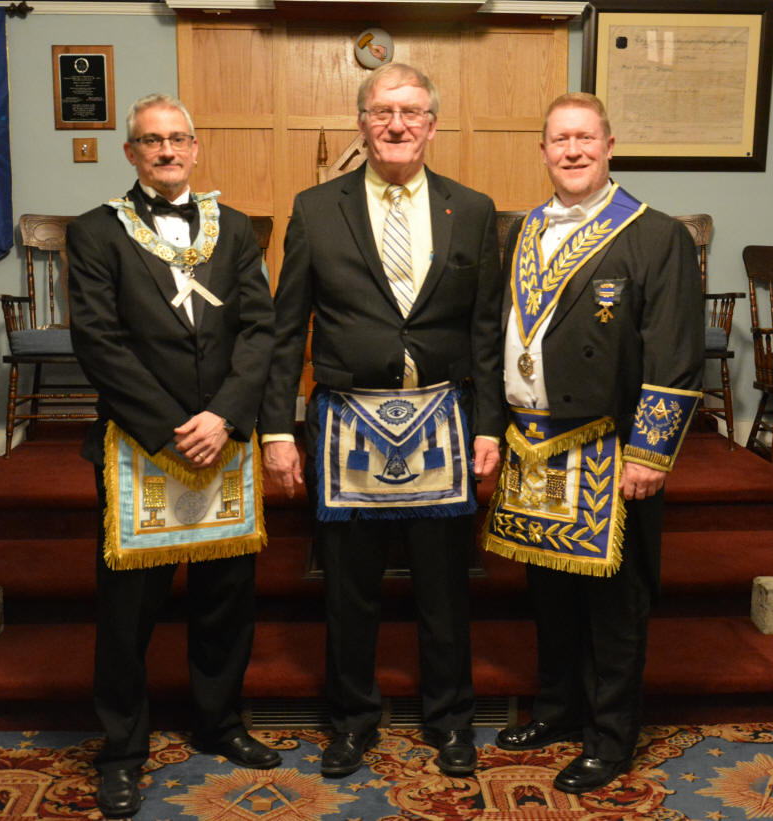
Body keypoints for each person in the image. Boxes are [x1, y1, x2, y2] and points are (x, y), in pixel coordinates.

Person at [260, 63, 504, 778]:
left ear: (432, 124)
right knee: (349, 591)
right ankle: (352, 721)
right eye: (383, 111)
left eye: (411, 112)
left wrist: (490, 426)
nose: (397, 125)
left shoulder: (473, 209)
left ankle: (450, 721)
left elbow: (487, 329)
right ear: (362, 122)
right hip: (346, 426)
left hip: (443, 421)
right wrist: (277, 430)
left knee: (444, 590)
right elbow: (286, 327)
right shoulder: (315, 208)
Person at [67, 92, 279, 819]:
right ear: (131, 152)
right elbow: (98, 341)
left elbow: (260, 329)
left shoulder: (237, 227)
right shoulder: (96, 232)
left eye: (177, 138)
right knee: (129, 613)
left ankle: (219, 722)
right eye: (151, 140)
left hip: (225, 440)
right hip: (140, 443)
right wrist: (170, 426)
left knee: (226, 599)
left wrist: (225, 415)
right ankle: (122, 750)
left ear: (195, 147)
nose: (166, 150)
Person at [484, 92, 703, 794]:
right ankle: (557, 709)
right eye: (560, 140)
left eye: (585, 138)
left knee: (614, 607)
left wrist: (649, 451)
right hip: (533, 446)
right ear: (543, 151)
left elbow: (673, 353)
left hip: (609, 447)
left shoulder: (655, 234)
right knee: (549, 595)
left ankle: (610, 737)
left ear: (609, 147)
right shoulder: (521, 229)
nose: (572, 151)